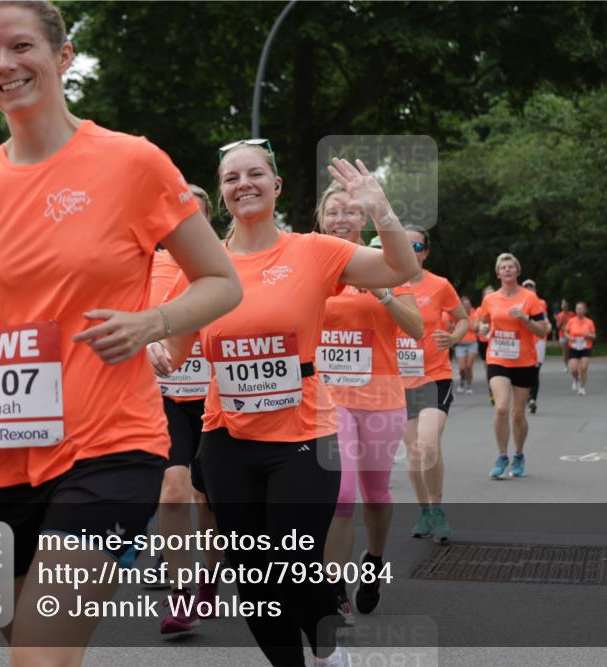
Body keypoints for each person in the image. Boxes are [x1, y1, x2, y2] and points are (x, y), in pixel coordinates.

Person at [0, 3, 242, 666]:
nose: (4, 65)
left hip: (109, 450)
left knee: (37, 657)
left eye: (20, 45)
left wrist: (153, 321)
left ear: (62, 55)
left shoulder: (133, 164)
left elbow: (220, 281)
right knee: (12, 643)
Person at [159, 146, 418, 667]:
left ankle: (328, 650)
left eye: (256, 173)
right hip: (227, 438)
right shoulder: (204, 266)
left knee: (292, 561)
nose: (243, 183)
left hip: (303, 434)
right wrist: (149, 350)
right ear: (223, 191)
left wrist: (380, 210)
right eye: (232, 177)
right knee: (253, 579)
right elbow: (176, 351)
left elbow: (398, 267)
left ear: (277, 185)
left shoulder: (314, 250)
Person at [314, 181, 423, 624]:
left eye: (351, 211)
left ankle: (374, 561)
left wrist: (384, 291)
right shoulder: (307, 264)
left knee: (376, 495)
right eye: (333, 211)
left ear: (364, 219)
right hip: (326, 400)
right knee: (340, 495)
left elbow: (416, 327)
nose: (342, 218)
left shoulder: (385, 264)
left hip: (380, 400)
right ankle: (333, 589)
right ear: (320, 218)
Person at [144, 185, 223, 634]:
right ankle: (179, 594)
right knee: (173, 490)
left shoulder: (221, 265)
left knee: (208, 500)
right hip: (165, 395)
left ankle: (207, 583)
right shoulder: (148, 263)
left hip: (215, 396)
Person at [399, 225, 470, 543]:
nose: (411, 251)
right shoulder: (382, 281)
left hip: (434, 376)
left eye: (417, 247)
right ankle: (425, 510)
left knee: (428, 444)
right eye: (405, 245)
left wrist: (453, 337)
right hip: (397, 381)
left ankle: (437, 507)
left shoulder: (439, 285)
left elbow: (464, 318)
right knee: (414, 452)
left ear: (425, 252)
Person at [478, 254, 550, 480]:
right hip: (498, 357)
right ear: (498, 273)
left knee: (518, 414)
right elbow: (482, 322)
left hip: (523, 360)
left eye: (511, 267)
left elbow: (542, 330)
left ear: (517, 272)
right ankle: (502, 456)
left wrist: (525, 319)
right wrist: (481, 328)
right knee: (501, 408)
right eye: (503, 267)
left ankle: (518, 454)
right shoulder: (490, 299)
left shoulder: (531, 298)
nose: (507, 270)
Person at [522, 279, 547, 414]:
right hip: (524, 341)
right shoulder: (519, 302)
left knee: (535, 370)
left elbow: (545, 321)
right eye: (526, 288)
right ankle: (527, 395)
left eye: (531, 288)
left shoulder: (541, 303)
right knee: (526, 370)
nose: (529, 290)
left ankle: (533, 399)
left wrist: (547, 326)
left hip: (538, 340)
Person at [565, 302, 597, 395]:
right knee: (574, 369)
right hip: (574, 346)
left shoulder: (589, 322)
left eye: (580, 308)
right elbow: (566, 332)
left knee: (583, 367)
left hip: (585, 346)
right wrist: (570, 337)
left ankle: (582, 388)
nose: (578, 310)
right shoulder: (571, 321)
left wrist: (589, 335)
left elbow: (594, 335)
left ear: (585, 310)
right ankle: (576, 379)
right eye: (577, 308)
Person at [453, 295, 477, 394]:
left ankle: (469, 385)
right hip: (460, 343)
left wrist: (466, 323)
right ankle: (462, 382)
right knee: (462, 367)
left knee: (469, 366)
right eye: (464, 305)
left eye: (468, 305)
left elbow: (475, 328)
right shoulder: (457, 314)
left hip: (472, 343)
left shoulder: (474, 313)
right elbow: (454, 327)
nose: (466, 307)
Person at [555, 298, 575, 371]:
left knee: (571, 351)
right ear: (561, 306)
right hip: (562, 335)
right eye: (563, 304)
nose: (564, 306)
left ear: (568, 306)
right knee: (565, 352)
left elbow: (574, 323)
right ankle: (566, 366)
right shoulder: (559, 315)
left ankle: (571, 363)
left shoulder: (571, 314)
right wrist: (561, 321)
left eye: (566, 304)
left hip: (571, 335)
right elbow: (558, 326)